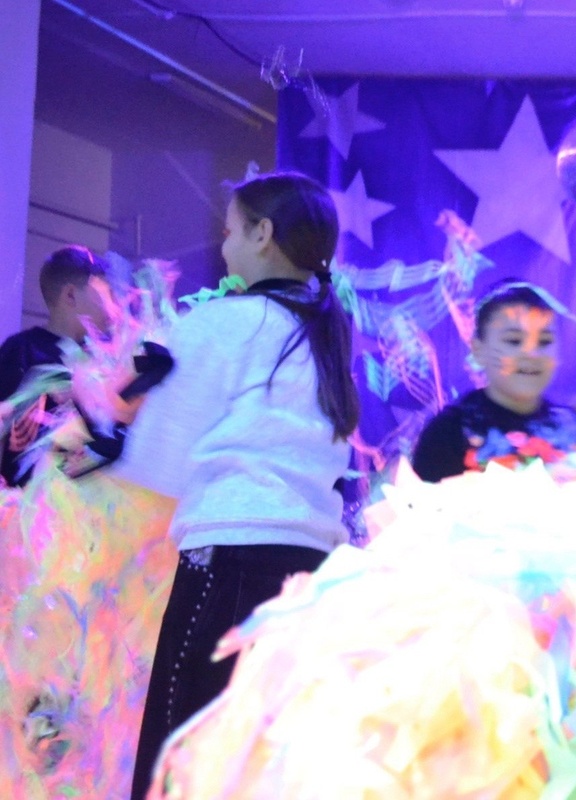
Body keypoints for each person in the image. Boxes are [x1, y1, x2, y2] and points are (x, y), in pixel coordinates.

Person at [112, 172, 360, 799]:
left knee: (184, 765)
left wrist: (109, 425)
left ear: (262, 233)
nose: (223, 249)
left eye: (229, 232)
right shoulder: (326, 335)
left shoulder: (224, 321)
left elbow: (159, 462)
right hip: (312, 576)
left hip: (228, 568)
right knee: (268, 770)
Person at [410, 280, 576, 482]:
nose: (532, 354)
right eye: (514, 341)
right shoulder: (450, 431)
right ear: (478, 350)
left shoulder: (570, 425)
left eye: (544, 341)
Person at [0, 245, 114, 487]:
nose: (112, 307)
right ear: (70, 295)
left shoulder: (106, 357)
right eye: (104, 294)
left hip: (91, 500)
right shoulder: (21, 351)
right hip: (25, 501)